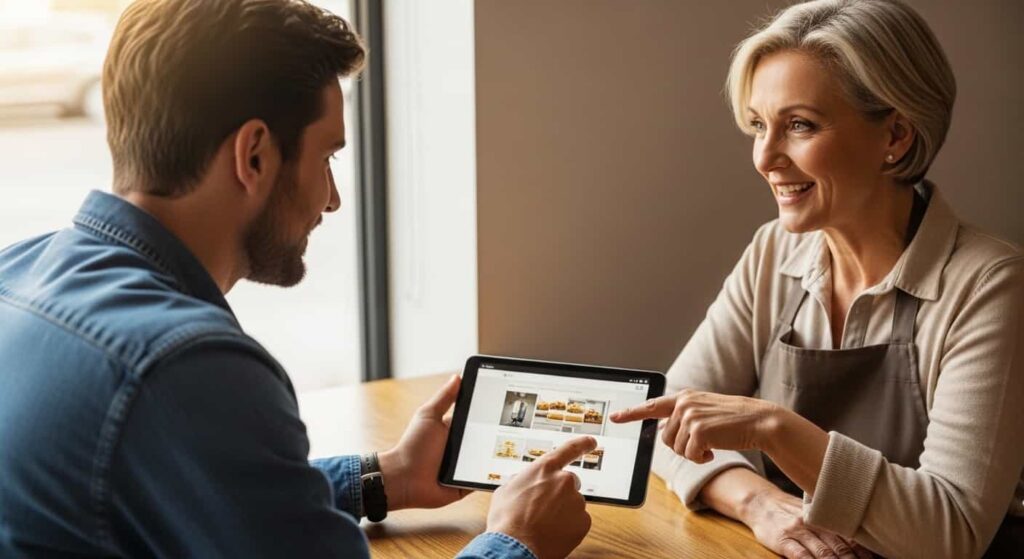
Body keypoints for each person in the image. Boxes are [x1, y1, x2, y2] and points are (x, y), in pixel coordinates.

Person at [0, 1, 595, 558]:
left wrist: (385, 477)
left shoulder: (17, 273)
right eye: (327, 157)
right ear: (254, 155)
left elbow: (205, 491)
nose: (332, 199)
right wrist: (517, 538)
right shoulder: (187, 364)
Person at [611, 1, 1024, 558]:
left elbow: (952, 532)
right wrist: (757, 502)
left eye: (799, 125)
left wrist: (774, 429)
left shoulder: (991, 285)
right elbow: (661, 423)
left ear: (896, 136)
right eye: (759, 125)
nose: (765, 157)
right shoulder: (774, 251)